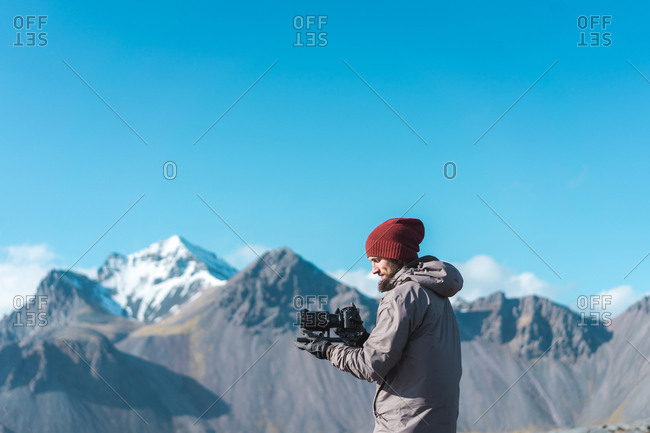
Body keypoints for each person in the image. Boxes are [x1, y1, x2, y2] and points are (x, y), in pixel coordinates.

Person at [295, 217, 463, 433]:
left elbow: (370, 366)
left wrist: (327, 349)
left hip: (404, 425)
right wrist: (363, 340)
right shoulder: (436, 296)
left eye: (377, 260)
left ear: (395, 254)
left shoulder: (401, 296)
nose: (374, 270)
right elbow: (413, 358)